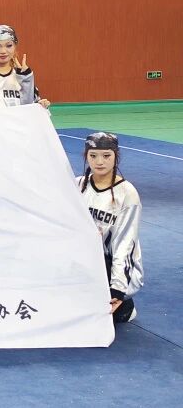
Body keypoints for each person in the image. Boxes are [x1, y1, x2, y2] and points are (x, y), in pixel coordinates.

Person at [77, 132, 142, 323]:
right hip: (83, 260)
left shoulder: (127, 193)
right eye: (93, 156)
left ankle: (125, 306)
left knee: (103, 318)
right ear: (86, 156)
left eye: (106, 156)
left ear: (116, 156)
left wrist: (118, 289)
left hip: (109, 263)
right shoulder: (78, 184)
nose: (99, 162)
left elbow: (125, 242)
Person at [0, 24, 51, 108]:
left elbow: (30, 106)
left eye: (9, 46)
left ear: (15, 46)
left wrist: (41, 105)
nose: (3, 51)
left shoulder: (23, 75)